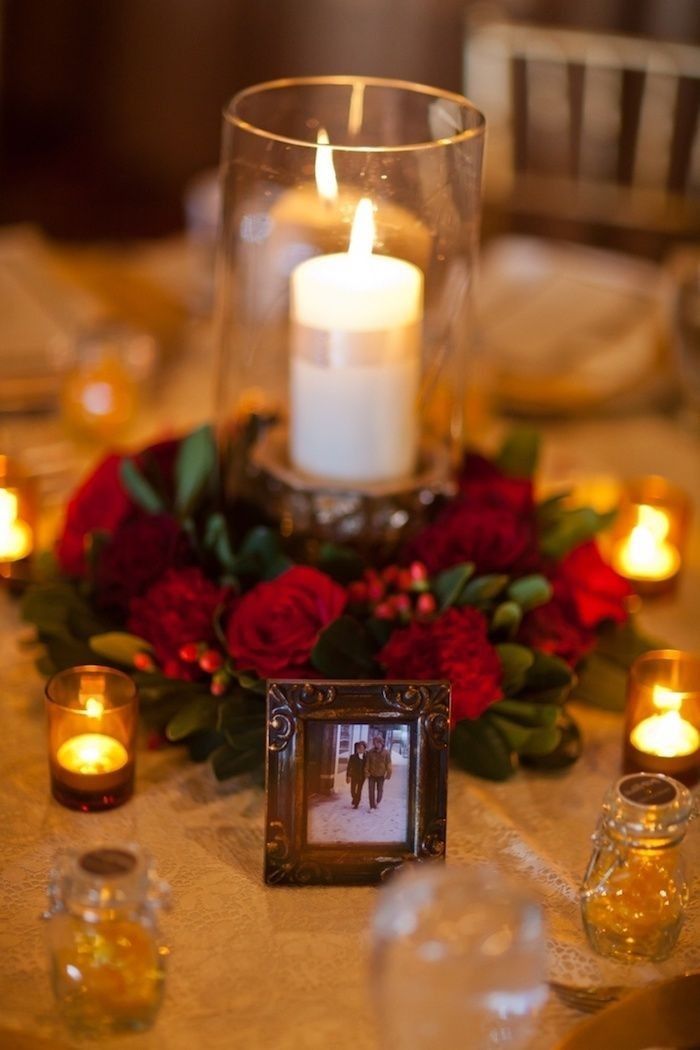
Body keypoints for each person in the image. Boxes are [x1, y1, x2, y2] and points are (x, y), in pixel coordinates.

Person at [365, 735, 392, 811]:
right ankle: (372, 806)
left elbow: (388, 764)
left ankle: (378, 801)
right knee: (371, 791)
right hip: (371, 775)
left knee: (380, 790)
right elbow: (367, 763)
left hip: (381, 775)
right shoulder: (370, 752)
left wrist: (388, 773)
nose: (376, 744)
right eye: (374, 742)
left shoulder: (386, 753)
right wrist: (366, 772)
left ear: (381, 743)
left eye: (377, 742)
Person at [346, 741, 367, 809]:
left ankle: (356, 803)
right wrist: (348, 776)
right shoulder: (352, 757)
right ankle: (355, 798)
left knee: (359, 790)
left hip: (362, 776)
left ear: (364, 749)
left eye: (362, 748)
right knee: (352, 790)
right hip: (354, 776)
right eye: (359, 748)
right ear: (357, 749)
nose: (360, 749)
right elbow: (349, 767)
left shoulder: (366, 758)